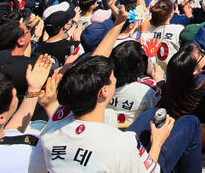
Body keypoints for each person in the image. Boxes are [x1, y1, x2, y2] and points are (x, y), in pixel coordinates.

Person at [29, 55, 175, 172]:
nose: (116, 79)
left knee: (151, 113)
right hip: (124, 151)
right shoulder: (123, 143)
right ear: (103, 91)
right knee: (189, 123)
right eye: (112, 78)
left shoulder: (50, 133)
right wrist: (157, 142)